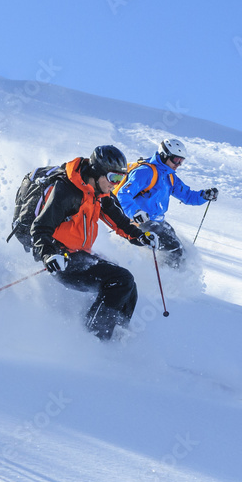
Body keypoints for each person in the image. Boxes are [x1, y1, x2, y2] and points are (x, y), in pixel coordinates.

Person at [30, 145, 155, 341]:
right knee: (120, 281)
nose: (116, 184)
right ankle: (94, 340)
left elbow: (120, 222)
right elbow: (40, 229)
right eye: (114, 178)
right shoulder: (66, 191)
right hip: (60, 258)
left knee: (129, 287)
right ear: (98, 172)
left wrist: (140, 236)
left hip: (79, 254)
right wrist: (48, 254)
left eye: (121, 179)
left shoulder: (100, 194)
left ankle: (117, 336)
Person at [114, 138, 218, 268]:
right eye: (176, 159)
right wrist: (136, 212)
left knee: (182, 251)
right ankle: (165, 279)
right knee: (174, 250)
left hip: (158, 221)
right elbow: (123, 194)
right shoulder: (145, 172)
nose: (178, 164)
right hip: (140, 222)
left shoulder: (169, 176)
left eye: (181, 161)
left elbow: (188, 196)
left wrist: (204, 196)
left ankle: (175, 276)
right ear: (164, 155)